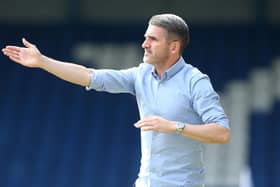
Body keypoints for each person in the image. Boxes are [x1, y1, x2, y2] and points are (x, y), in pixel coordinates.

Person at [2, 14, 230, 187]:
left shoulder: (195, 81)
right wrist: (42, 61)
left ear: (173, 47)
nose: (144, 44)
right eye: (145, 38)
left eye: (152, 39)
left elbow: (222, 133)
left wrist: (173, 126)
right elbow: (89, 76)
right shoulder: (141, 75)